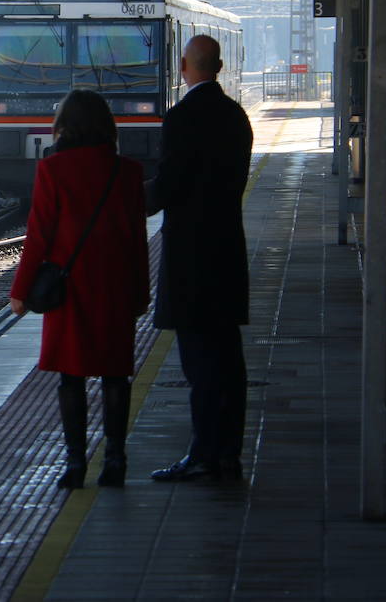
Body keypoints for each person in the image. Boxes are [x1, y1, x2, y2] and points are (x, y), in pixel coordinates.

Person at [10, 89, 150, 489]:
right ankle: (116, 460)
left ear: (64, 127)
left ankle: (75, 465)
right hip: (115, 286)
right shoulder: (128, 172)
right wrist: (141, 292)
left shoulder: (54, 170)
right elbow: (136, 238)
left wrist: (20, 291)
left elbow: (38, 237)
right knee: (115, 375)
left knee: (71, 377)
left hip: (68, 290)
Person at [146, 34, 253, 482]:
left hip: (191, 257)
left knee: (199, 361)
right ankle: (227, 450)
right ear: (221, 66)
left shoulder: (182, 117)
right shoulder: (236, 116)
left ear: (186, 66)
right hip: (227, 249)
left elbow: (167, 186)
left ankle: (204, 451)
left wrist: (125, 200)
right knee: (228, 358)